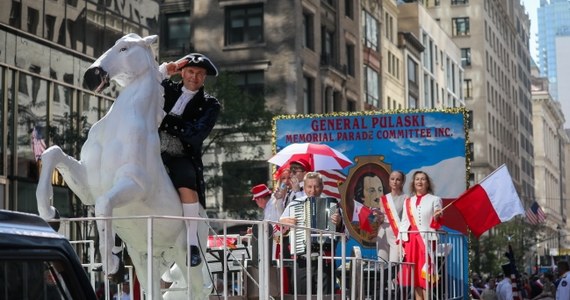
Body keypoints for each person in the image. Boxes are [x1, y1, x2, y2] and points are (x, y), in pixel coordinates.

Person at [158, 53, 220, 266]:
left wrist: (165, 121)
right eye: (190, 72)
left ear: (204, 78)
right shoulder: (166, 87)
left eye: (200, 74)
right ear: (182, 73)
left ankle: (192, 241)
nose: (194, 77)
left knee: (187, 181)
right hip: (151, 146)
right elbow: (144, 82)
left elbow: (196, 135)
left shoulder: (210, 104)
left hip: (179, 153)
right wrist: (166, 69)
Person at [279, 172, 336, 295]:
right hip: (302, 260)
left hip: (325, 260)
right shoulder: (294, 204)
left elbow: (344, 235)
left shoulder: (332, 205)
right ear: (304, 187)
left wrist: (339, 223)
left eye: (316, 186)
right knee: (301, 296)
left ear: (322, 187)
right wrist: (283, 223)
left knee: (326, 297)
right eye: (309, 187)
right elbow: (277, 230)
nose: (313, 190)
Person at [398, 170, 443, 300]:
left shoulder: (435, 200)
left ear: (427, 183)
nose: (420, 181)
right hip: (411, 241)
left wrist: (437, 216)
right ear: (413, 183)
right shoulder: (408, 201)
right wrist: (401, 242)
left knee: (426, 277)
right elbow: (404, 222)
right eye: (417, 179)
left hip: (426, 241)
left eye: (423, 179)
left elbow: (437, 220)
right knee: (415, 278)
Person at [377, 170, 407, 262]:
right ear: (389, 181)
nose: (394, 181)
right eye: (392, 179)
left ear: (402, 182)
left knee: (395, 263)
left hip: (397, 233)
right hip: (382, 231)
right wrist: (378, 217)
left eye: (398, 179)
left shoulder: (407, 198)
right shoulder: (383, 198)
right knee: (381, 263)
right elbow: (381, 220)